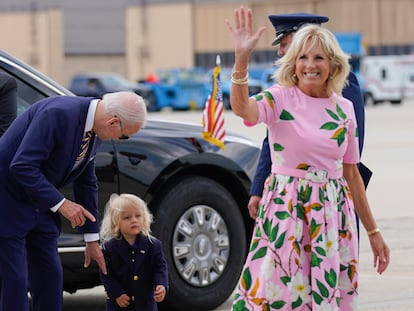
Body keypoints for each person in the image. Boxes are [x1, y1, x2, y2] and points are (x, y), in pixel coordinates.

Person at [225, 7, 389, 310]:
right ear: (292, 62)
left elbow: (352, 174)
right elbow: (242, 109)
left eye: (318, 58)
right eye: (302, 57)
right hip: (287, 210)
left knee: (324, 299)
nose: (309, 65)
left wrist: (373, 232)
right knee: (280, 295)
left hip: (331, 215)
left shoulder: (344, 109)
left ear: (332, 64)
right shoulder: (280, 97)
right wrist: (241, 59)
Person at [0, 91, 147, 311]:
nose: (119, 140)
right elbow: (22, 166)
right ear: (113, 122)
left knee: (50, 275)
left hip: (40, 201)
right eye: (124, 135)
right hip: (8, 198)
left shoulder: (94, 129)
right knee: (16, 281)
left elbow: (86, 182)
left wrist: (91, 238)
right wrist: (62, 204)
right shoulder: (57, 114)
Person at [248, 12, 372, 221]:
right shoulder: (287, 88)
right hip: (292, 197)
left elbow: (349, 148)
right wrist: (258, 188)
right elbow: (272, 140)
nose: (280, 51)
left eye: (284, 43)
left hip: (330, 198)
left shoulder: (343, 81)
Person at [99, 193, 168, 311]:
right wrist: (116, 293)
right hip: (119, 305)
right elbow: (106, 273)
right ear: (115, 222)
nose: (134, 220)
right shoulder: (109, 247)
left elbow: (160, 267)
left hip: (145, 305)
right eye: (127, 217)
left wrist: (161, 285)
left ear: (145, 217)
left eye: (138, 216)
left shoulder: (153, 245)